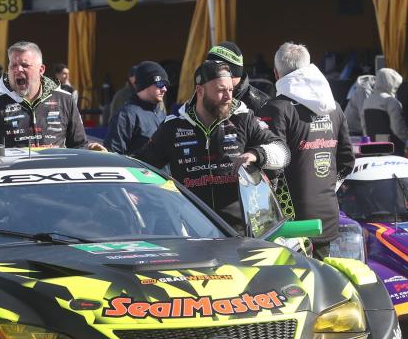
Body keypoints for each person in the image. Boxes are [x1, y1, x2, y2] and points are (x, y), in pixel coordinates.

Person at [136, 60, 289, 232]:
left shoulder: (243, 118)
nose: (228, 97)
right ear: (200, 91)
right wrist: (108, 157)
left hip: (238, 232)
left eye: (230, 90)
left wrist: (256, 154)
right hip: (191, 231)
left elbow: (282, 152)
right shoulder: (173, 126)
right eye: (221, 90)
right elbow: (141, 163)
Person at [260, 43, 354, 246]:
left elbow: (272, 167)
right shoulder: (334, 107)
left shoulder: (276, 109)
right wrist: (327, 188)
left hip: (290, 223)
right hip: (328, 217)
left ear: (276, 73)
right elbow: (347, 161)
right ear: (309, 67)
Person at [0, 41, 104, 150]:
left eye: (24, 65)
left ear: (41, 70)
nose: (18, 70)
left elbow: (79, 145)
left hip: (56, 178)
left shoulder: (65, 99)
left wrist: (90, 150)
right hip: (13, 179)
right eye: (13, 65)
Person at [103, 61, 168, 155]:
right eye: (160, 84)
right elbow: (113, 156)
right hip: (136, 169)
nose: (164, 89)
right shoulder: (126, 115)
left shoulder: (161, 113)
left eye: (165, 85)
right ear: (146, 84)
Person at [206, 41, 270, 113]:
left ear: (231, 72)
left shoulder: (262, 104)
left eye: (214, 70)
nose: (209, 76)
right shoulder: (204, 94)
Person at [363, 68, 408, 154]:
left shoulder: (367, 100)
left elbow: (364, 126)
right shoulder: (390, 101)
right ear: (390, 82)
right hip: (392, 148)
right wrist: (407, 142)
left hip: (373, 147)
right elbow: (398, 129)